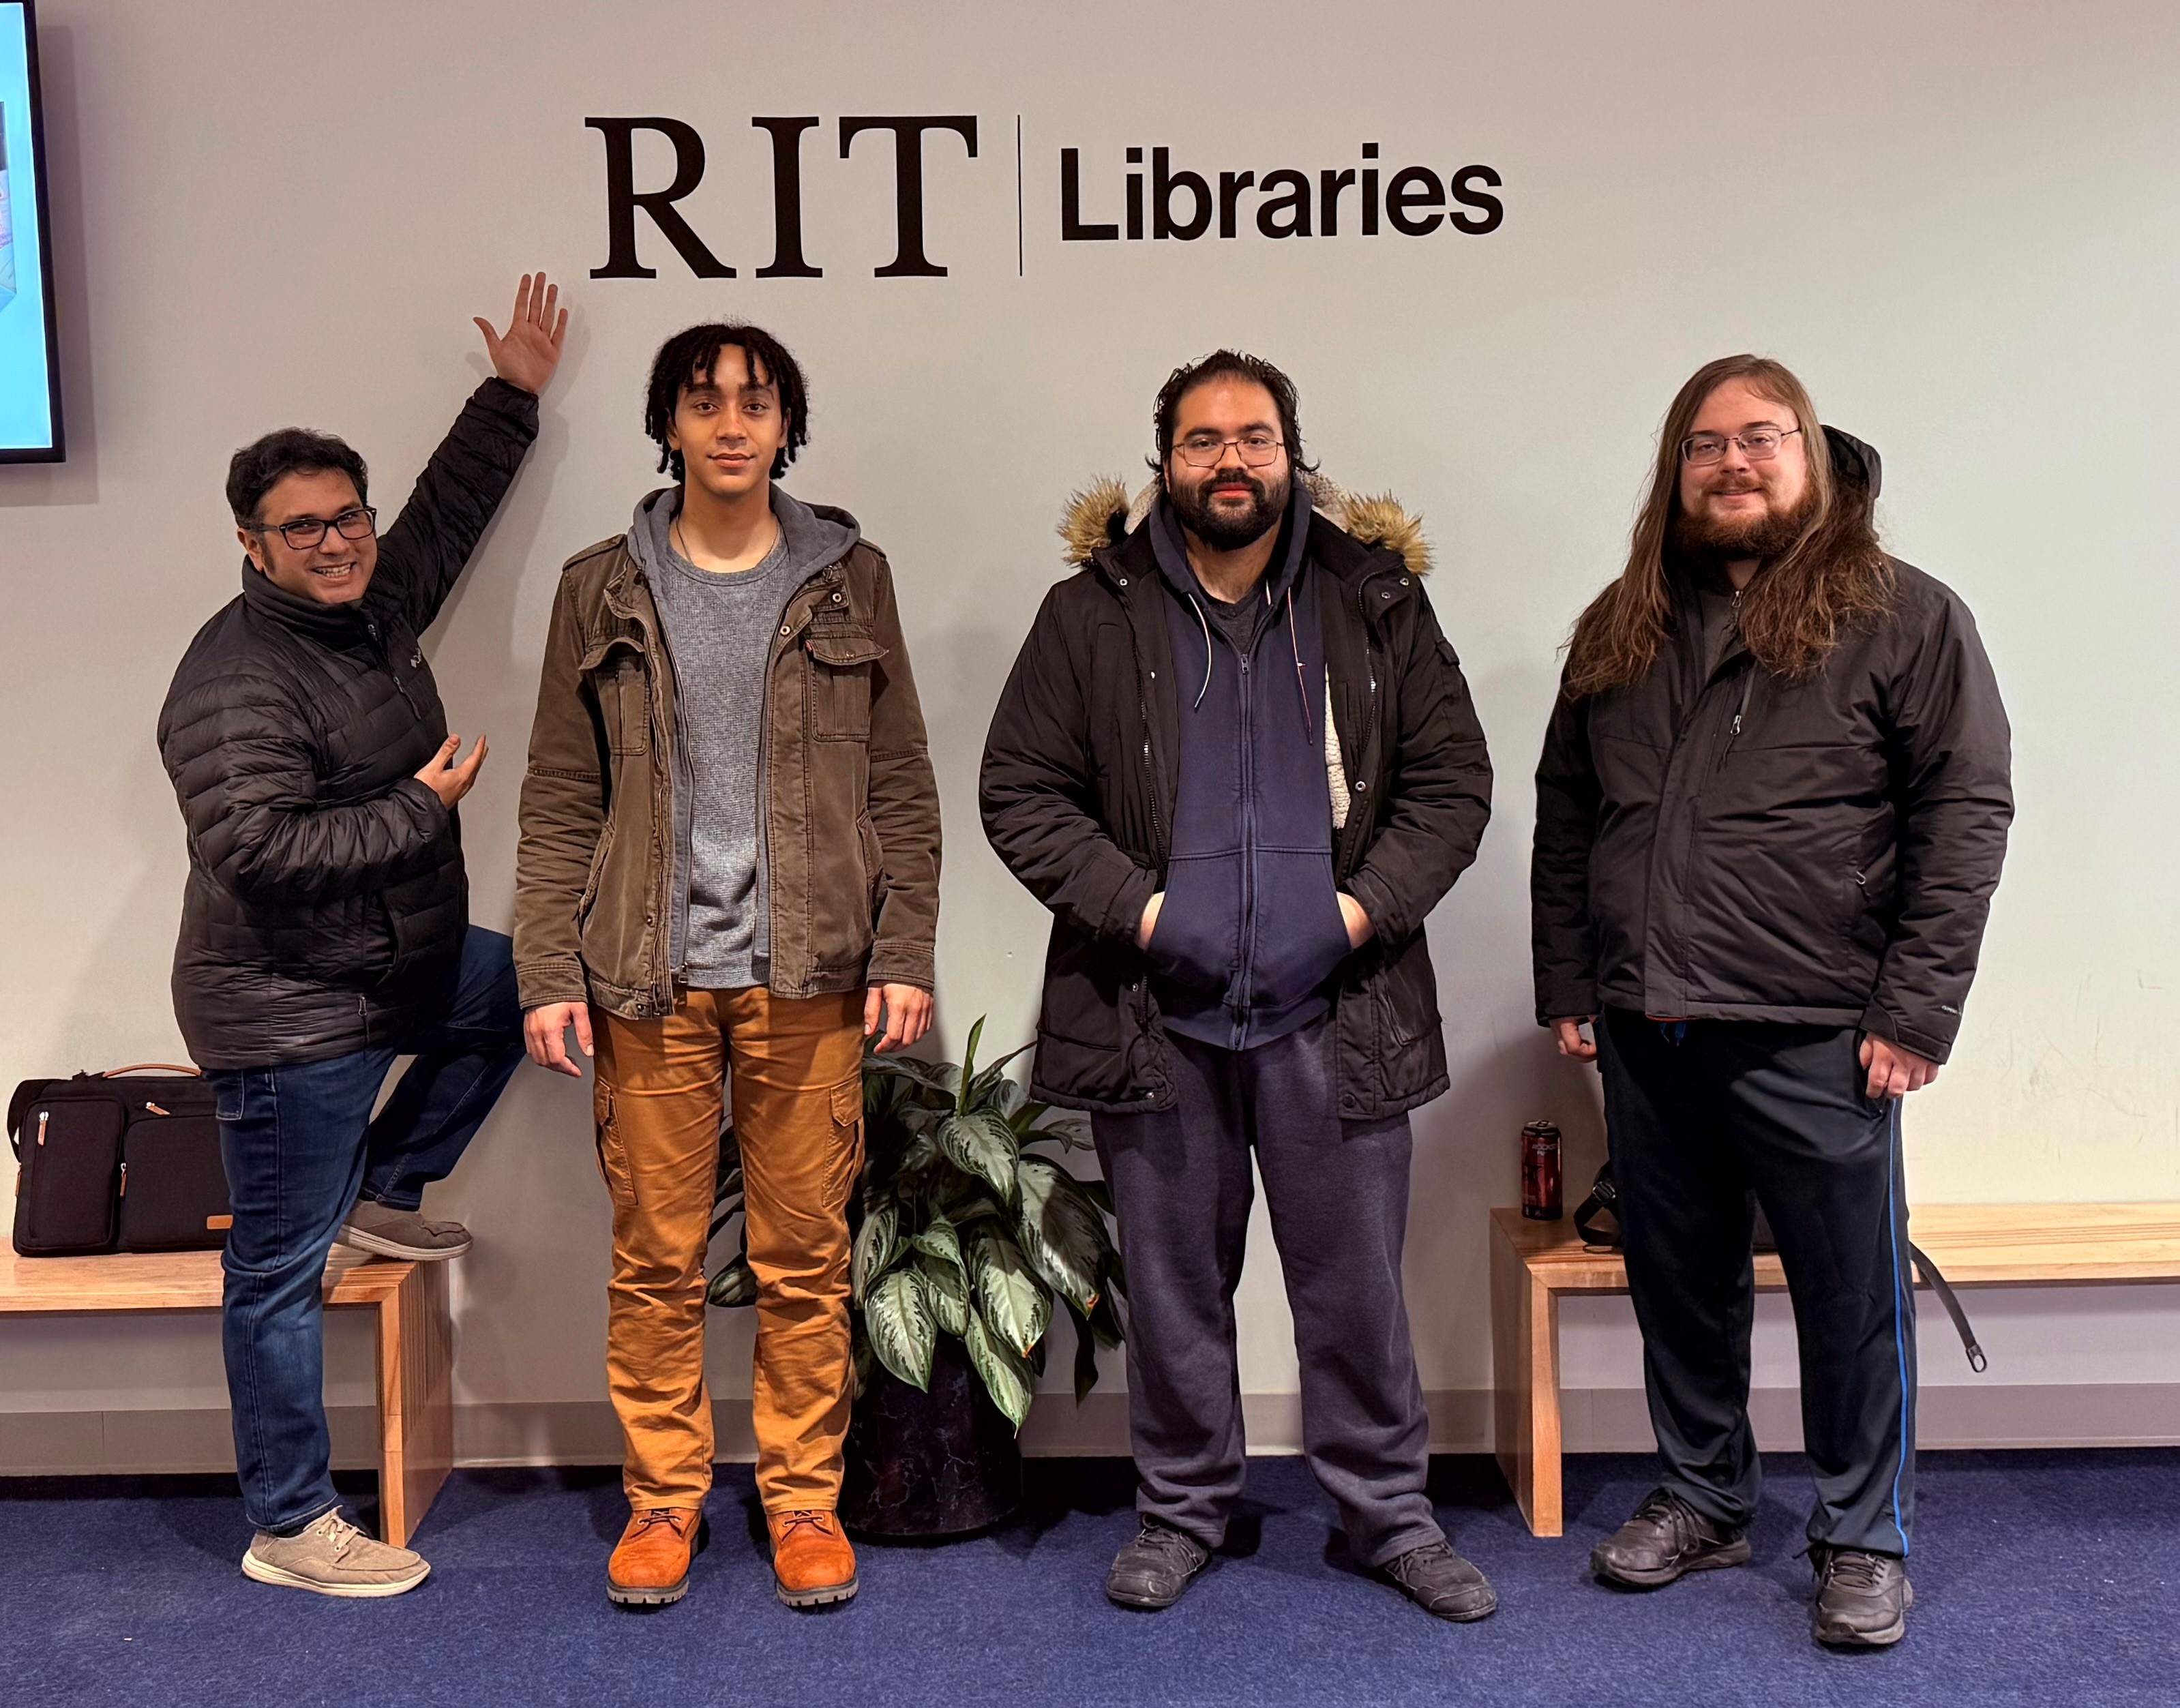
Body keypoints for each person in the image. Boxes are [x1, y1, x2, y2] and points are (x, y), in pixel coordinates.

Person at [980, 350, 1496, 1621]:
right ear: (1164, 461)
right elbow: (1021, 792)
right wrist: (1148, 914)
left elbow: (1451, 784)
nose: (1229, 459)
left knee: (1356, 1292)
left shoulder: (1376, 601)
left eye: (1253, 437)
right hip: (1154, 1013)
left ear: (1290, 454)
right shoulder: (1089, 613)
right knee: (1172, 1294)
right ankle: (1180, 1511)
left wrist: (1353, 915)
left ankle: (1390, 1516)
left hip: (1341, 1009)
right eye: (1202, 439)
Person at [1531, 354, 2012, 1648]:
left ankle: (1862, 1536)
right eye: (1705, 443)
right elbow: (1567, 813)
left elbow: (1964, 814)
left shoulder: (1903, 615)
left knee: (1848, 1296)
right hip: (1650, 1024)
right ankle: (1705, 1496)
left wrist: (1913, 1011)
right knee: (1679, 1285)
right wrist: (1571, 979)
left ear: (1809, 453)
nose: (1732, 462)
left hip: (1819, 1028)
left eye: (1760, 436)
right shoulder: (1620, 625)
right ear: (1673, 470)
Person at [514, 322, 940, 1611]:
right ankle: (663, 1502)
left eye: (756, 402)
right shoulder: (600, 587)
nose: (732, 424)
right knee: (655, 1260)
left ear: (785, 425)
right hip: (645, 975)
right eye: (704, 403)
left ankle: (803, 1501)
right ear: (670, 426)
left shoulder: (850, 579)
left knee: (804, 1261)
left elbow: (902, 781)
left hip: (809, 969)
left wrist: (904, 947)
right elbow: (559, 793)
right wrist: (547, 969)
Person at [156, 275, 569, 1597]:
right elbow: (255, 852)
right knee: (275, 1271)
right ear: (251, 540)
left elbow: (442, 521)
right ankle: (289, 1519)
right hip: (288, 1013)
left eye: (348, 517)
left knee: (530, 987)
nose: (336, 541)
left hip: (396, 968)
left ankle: (382, 1195)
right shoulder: (234, 679)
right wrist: (418, 809)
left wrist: (510, 396)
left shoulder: (372, 602)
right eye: (304, 527)